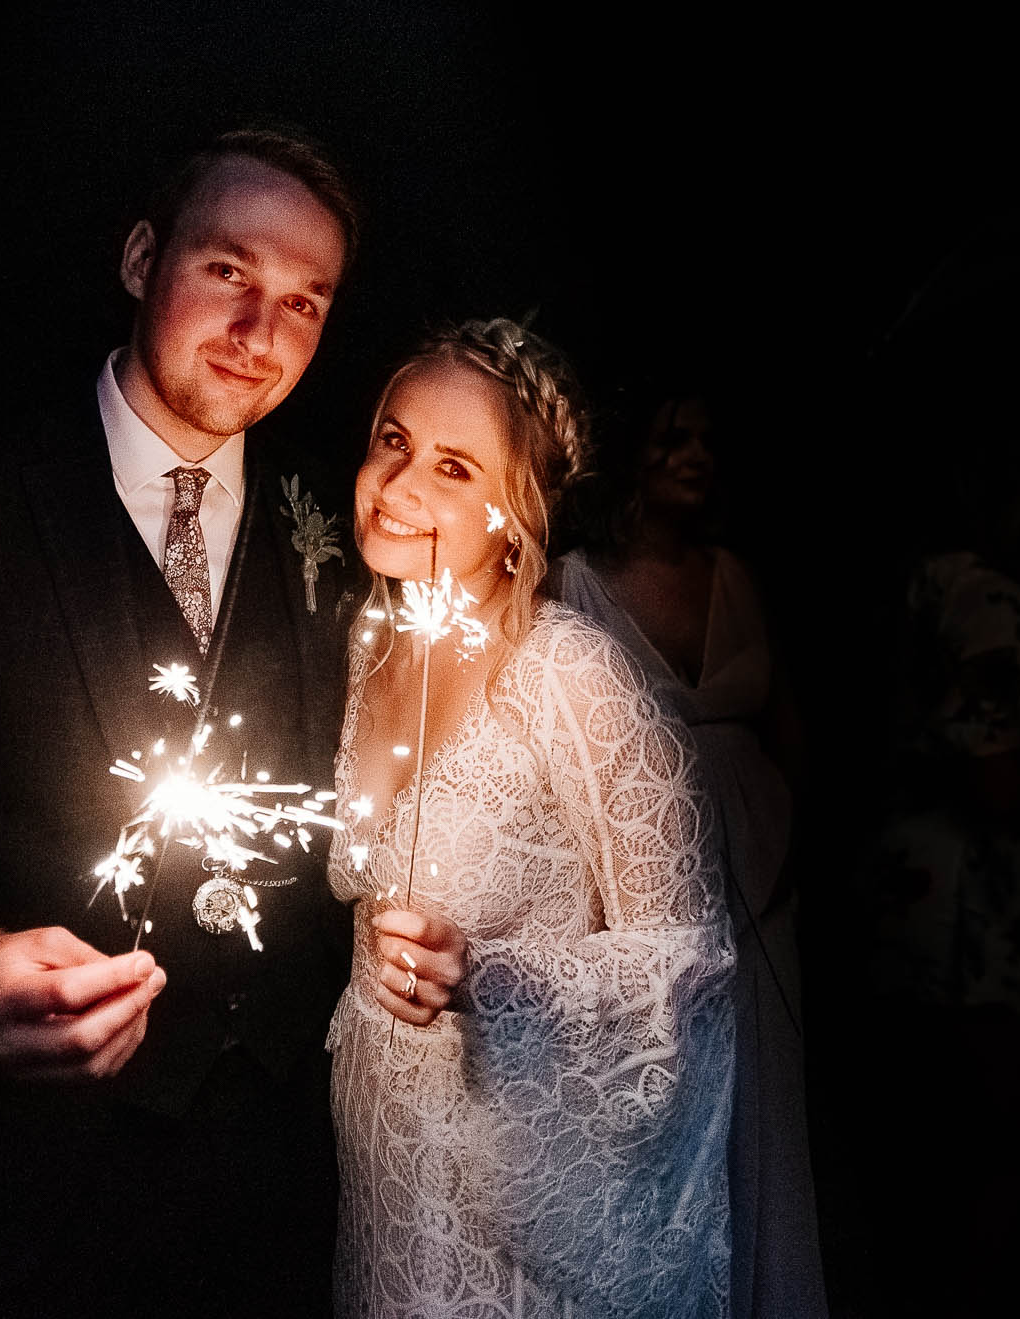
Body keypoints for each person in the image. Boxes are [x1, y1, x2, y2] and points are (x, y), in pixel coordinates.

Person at [0, 126, 361, 1317]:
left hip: (277, 1166)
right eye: (228, 272)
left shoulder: (339, 516)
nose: (259, 334)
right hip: (24, 1184)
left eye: (304, 303)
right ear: (138, 258)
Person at [325, 319, 736, 1317]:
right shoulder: (367, 637)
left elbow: (693, 967)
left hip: (519, 1211)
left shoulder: (570, 673)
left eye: (454, 466)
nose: (400, 483)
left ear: (514, 513)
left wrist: (491, 979)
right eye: (392, 439)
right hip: (383, 1180)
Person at [556, 389, 828, 1317]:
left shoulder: (734, 575)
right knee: (674, 1121)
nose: (697, 455)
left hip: (762, 896)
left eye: (711, 438)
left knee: (766, 1120)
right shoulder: (575, 583)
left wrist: (783, 845)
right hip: (641, 916)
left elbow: (787, 726)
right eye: (676, 436)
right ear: (631, 450)